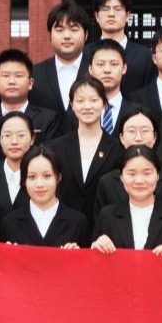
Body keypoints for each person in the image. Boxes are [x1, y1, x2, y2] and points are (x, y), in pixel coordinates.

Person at [0, 49, 61, 169]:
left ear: (30, 83)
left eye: (18, 76)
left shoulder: (48, 119)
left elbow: (51, 160)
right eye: (6, 76)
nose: (11, 81)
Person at [46, 78, 124, 223]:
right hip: (64, 225)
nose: (87, 106)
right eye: (80, 101)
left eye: (94, 100)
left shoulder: (117, 149)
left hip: (104, 225)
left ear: (104, 103)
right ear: (72, 105)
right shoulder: (56, 147)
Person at [91, 145, 162, 255]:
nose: (139, 181)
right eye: (132, 174)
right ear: (121, 177)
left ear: (157, 175)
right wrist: (96, 246)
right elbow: (92, 259)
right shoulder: (107, 216)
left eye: (147, 173)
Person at [95, 107, 162, 213]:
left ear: (154, 137)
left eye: (144, 131)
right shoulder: (107, 183)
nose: (138, 138)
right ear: (122, 138)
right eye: (131, 131)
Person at [0, 146, 89, 248]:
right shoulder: (9, 223)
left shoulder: (78, 222)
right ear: (24, 181)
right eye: (32, 177)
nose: (39, 184)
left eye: (47, 176)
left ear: (58, 177)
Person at [84, 0, 154, 96]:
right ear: (97, 16)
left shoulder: (145, 56)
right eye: (105, 9)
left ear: (127, 16)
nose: (111, 14)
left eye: (117, 9)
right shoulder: (84, 54)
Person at [29, 1, 89, 119]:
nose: (67, 36)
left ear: (86, 35)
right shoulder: (34, 74)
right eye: (59, 30)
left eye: (74, 29)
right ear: (50, 36)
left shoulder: (98, 72)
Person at [0, 111, 34, 220]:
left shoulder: (41, 179)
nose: (14, 141)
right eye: (8, 135)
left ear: (32, 139)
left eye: (21, 135)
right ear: (0, 139)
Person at [87, 39, 136, 134]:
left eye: (114, 64)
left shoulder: (136, 112)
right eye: (100, 64)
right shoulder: (79, 112)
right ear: (90, 69)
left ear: (124, 68)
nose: (107, 70)